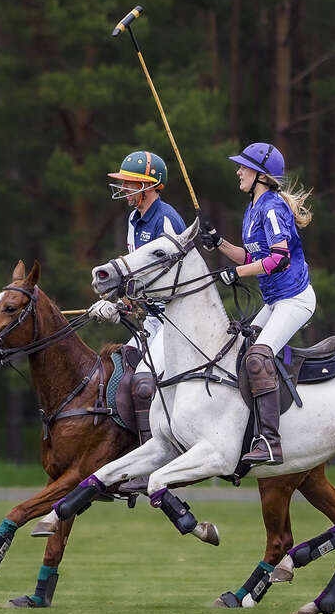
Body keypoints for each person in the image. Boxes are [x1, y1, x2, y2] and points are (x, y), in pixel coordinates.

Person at [199, 142, 315, 466]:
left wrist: (235, 273)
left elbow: (278, 259)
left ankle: (271, 444)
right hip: (275, 300)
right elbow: (253, 256)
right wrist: (219, 242)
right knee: (238, 348)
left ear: (261, 175)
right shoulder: (254, 208)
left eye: (244, 167)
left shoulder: (272, 207)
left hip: (294, 299)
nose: (238, 171)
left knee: (258, 356)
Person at [87, 151, 185, 448]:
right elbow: (135, 271)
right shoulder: (134, 218)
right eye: (125, 183)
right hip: (152, 316)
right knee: (122, 373)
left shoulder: (167, 219)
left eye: (131, 183)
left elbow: (176, 279)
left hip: (175, 316)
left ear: (150, 185)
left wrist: (124, 304)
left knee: (142, 382)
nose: (125, 188)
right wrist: (119, 301)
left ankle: (153, 452)